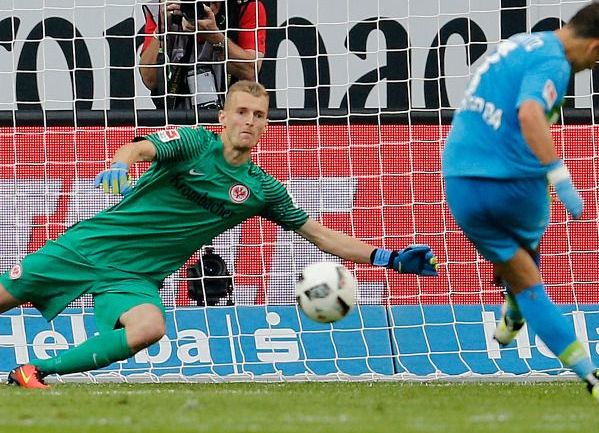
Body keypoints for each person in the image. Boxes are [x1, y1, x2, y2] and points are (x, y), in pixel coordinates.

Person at [3, 80, 439, 389]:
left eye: (260, 116)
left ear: (267, 126)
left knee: (149, 327)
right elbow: (139, 147)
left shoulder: (261, 190)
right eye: (243, 112)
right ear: (224, 116)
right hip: (86, 248)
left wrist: (389, 257)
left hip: (134, 278)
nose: (249, 121)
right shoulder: (193, 143)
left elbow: (320, 235)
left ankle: (36, 370)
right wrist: (121, 164)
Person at [442, 2, 599, 407]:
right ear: (596, 44)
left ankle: (513, 312)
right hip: (512, 184)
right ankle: (596, 380)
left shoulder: (516, 44)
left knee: (517, 262)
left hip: (459, 180)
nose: (596, 65)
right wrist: (559, 176)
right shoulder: (555, 64)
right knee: (530, 279)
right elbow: (530, 114)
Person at [139, 0, 267, 109]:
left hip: (233, 118)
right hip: (177, 118)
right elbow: (150, 80)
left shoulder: (245, 6)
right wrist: (161, 32)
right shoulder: (161, 9)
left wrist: (215, 36)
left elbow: (251, 70)